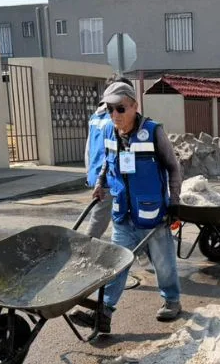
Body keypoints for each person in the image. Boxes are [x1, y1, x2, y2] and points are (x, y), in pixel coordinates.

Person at [69, 81, 183, 334]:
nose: (114, 115)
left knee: (163, 263)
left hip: (153, 214)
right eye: (110, 109)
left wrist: (174, 203)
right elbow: (106, 163)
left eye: (120, 108)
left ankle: (172, 301)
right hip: (122, 213)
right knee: (117, 265)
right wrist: (100, 184)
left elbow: (174, 168)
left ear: (134, 106)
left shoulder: (153, 132)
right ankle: (104, 313)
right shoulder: (110, 132)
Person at [82, 74, 133, 239]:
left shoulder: (96, 116)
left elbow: (88, 149)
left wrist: (90, 173)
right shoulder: (116, 118)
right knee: (102, 220)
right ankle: (85, 249)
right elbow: (122, 150)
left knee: (115, 217)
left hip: (98, 174)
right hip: (110, 176)